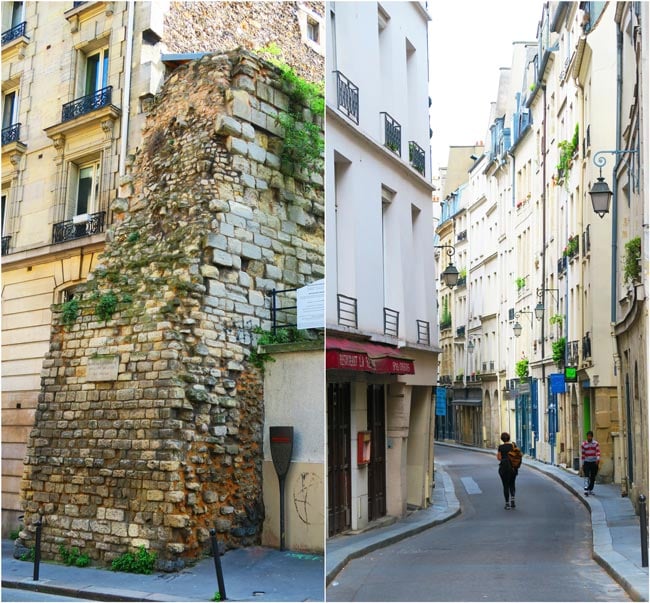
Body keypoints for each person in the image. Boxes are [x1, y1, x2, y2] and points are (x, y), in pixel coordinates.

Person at [497, 432, 518, 510]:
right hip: (513, 468)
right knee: (512, 484)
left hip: (504, 468)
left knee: (505, 485)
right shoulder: (513, 446)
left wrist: (503, 458)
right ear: (509, 438)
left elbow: (499, 458)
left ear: (502, 439)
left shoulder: (501, 447)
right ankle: (513, 500)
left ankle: (507, 504)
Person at [581, 430, 600, 496]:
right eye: (588, 436)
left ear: (592, 437)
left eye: (590, 437)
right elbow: (583, 454)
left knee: (593, 477)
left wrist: (598, 459)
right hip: (587, 462)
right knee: (586, 476)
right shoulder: (584, 444)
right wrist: (583, 463)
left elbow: (597, 452)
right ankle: (586, 489)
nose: (589, 438)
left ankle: (590, 489)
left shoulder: (595, 443)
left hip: (594, 462)